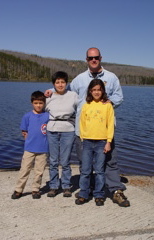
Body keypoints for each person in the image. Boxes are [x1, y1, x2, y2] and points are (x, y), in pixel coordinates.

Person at [45, 47, 130, 207]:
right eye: (90, 58)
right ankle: (89, 189)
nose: (93, 60)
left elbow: (119, 97)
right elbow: (64, 89)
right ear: (86, 60)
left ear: (100, 58)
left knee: (110, 161)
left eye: (96, 57)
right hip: (82, 131)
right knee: (85, 164)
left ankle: (115, 190)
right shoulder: (79, 79)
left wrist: (108, 102)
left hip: (104, 131)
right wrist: (49, 92)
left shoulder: (111, 78)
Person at [75, 79, 114, 206]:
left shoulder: (107, 105)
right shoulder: (86, 105)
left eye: (99, 89)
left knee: (99, 170)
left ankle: (99, 194)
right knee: (85, 170)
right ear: (90, 91)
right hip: (87, 141)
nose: (96, 92)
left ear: (102, 91)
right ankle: (83, 194)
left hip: (101, 142)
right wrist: (82, 137)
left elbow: (110, 125)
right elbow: (81, 123)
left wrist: (108, 142)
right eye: (94, 90)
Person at [45, 71, 78, 198]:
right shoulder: (48, 96)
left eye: (62, 82)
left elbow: (81, 109)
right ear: (53, 84)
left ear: (66, 83)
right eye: (57, 82)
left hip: (68, 129)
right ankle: (53, 186)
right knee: (53, 160)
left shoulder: (73, 95)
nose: (60, 84)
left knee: (65, 160)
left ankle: (66, 186)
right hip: (52, 129)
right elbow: (40, 109)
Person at [11, 91, 49, 200]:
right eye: (36, 103)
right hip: (29, 149)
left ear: (44, 103)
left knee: (39, 171)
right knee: (24, 169)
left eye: (41, 103)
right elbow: (25, 132)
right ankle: (18, 189)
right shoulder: (27, 116)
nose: (38, 105)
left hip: (43, 149)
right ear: (32, 103)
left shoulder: (47, 116)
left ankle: (35, 189)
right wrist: (28, 141)